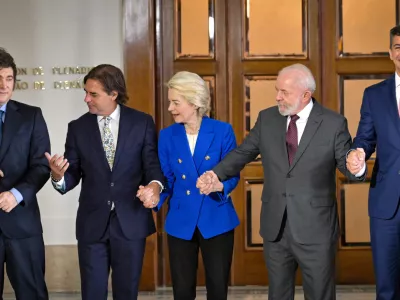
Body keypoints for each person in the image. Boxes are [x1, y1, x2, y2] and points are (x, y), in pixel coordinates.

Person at [197, 64, 363, 300]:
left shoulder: (333, 123)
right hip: (276, 227)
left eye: (284, 92)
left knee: (319, 295)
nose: (277, 97)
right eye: (277, 90)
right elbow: (243, 152)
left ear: (306, 95)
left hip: (315, 229)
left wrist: (356, 164)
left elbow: (345, 162)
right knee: (278, 294)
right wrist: (216, 174)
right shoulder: (267, 118)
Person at [45, 64, 164, 300]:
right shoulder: (78, 127)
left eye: (93, 94)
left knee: (126, 293)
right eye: (86, 92)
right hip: (92, 225)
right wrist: (58, 176)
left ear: (113, 94)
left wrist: (155, 187)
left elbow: (152, 166)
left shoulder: (142, 123)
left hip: (130, 222)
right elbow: (73, 173)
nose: (86, 99)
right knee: (92, 293)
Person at [147, 71, 239, 300]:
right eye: (170, 102)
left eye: (175, 102)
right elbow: (166, 179)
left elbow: (233, 174)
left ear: (195, 102)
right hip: (181, 220)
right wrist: (155, 193)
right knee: (182, 291)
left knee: (217, 290)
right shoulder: (167, 136)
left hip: (216, 218)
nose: (170, 108)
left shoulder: (222, 131)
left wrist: (219, 186)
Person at [346, 25, 400, 300]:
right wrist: (358, 154)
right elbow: (365, 139)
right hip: (387, 204)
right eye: (399, 47)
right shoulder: (374, 94)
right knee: (387, 288)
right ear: (391, 53)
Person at [0, 48, 50, 299]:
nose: (3, 85)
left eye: (9, 79)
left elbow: (41, 166)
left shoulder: (31, 116)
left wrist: (15, 195)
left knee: (32, 294)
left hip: (22, 221)